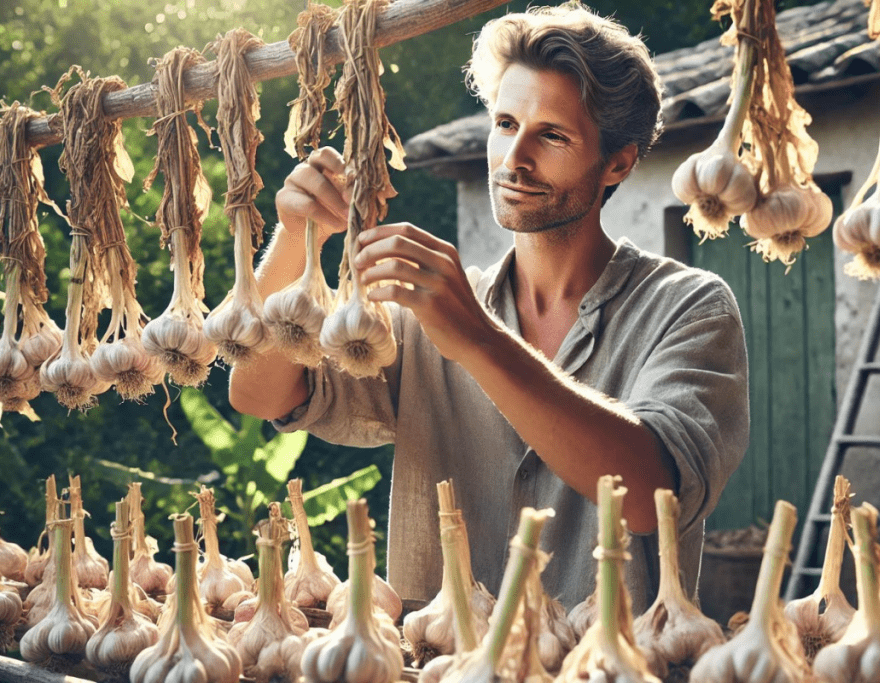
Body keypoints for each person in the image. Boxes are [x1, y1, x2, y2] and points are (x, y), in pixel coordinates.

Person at [230, 2, 749, 612]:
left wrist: (478, 338)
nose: (514, 158)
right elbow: (260, 395)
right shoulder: (429, 314)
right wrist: (296, 236)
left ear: (618, 162)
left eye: (552, 135)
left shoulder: (689, 308)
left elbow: (646, 494)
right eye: (505, 124)